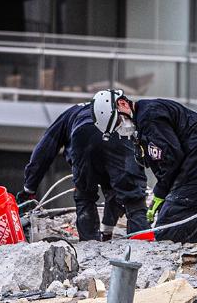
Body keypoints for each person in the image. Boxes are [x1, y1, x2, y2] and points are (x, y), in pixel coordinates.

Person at [91, 90, 197, 242]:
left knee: (167, 228)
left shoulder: (149, 117)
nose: (121, 129)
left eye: (119, 123)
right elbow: (165, 161)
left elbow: (171, 158)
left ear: (123, 104)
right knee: (174, 218)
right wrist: (165, 197)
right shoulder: (144, 120)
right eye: (116, 128)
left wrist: (160, 193)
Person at [18, 102, 148, 241]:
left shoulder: (71, 114)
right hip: (116, 134)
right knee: (131, 195)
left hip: (84, 136)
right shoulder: (123, 113)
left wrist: (29, 188)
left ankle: (91, 239)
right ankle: (140, 241)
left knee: (85, 194)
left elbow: (45, 149)